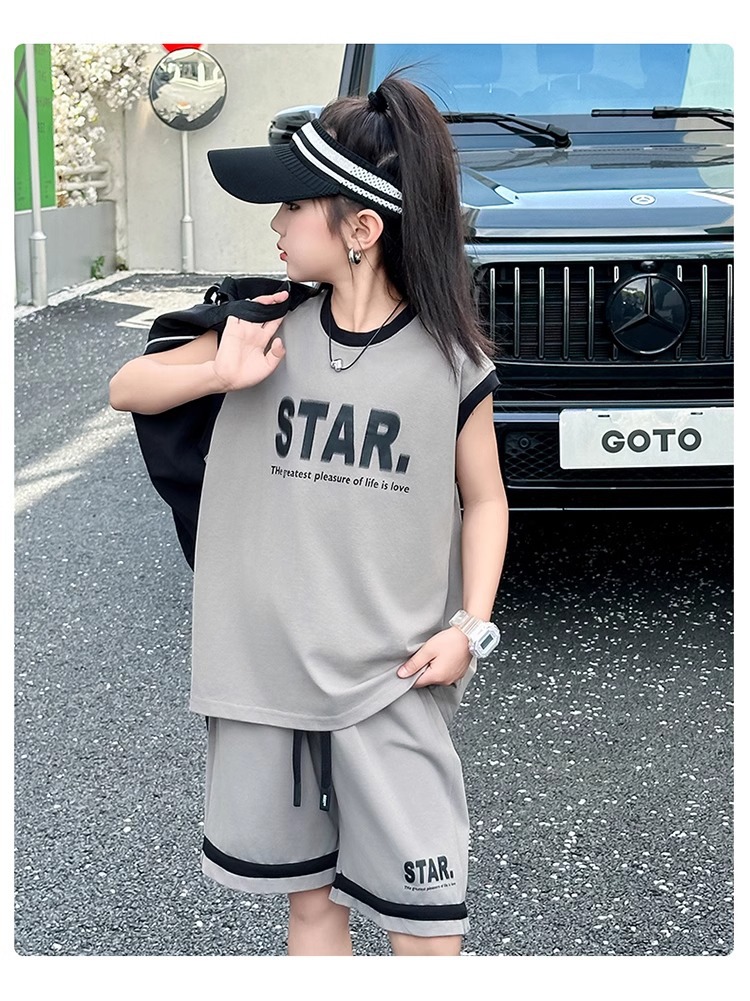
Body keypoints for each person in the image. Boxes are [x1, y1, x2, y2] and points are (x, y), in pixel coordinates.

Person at [109, 70, 509, 957]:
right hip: (266, 678)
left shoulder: (451, 362)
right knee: (311, 905)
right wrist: (219, 372)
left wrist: (471, 627)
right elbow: (127, 386)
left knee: (427, 923)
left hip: (392, 678)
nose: (276, 225)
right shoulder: (262, 323)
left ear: (361, 230)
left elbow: (485, 499)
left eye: (293, 206)